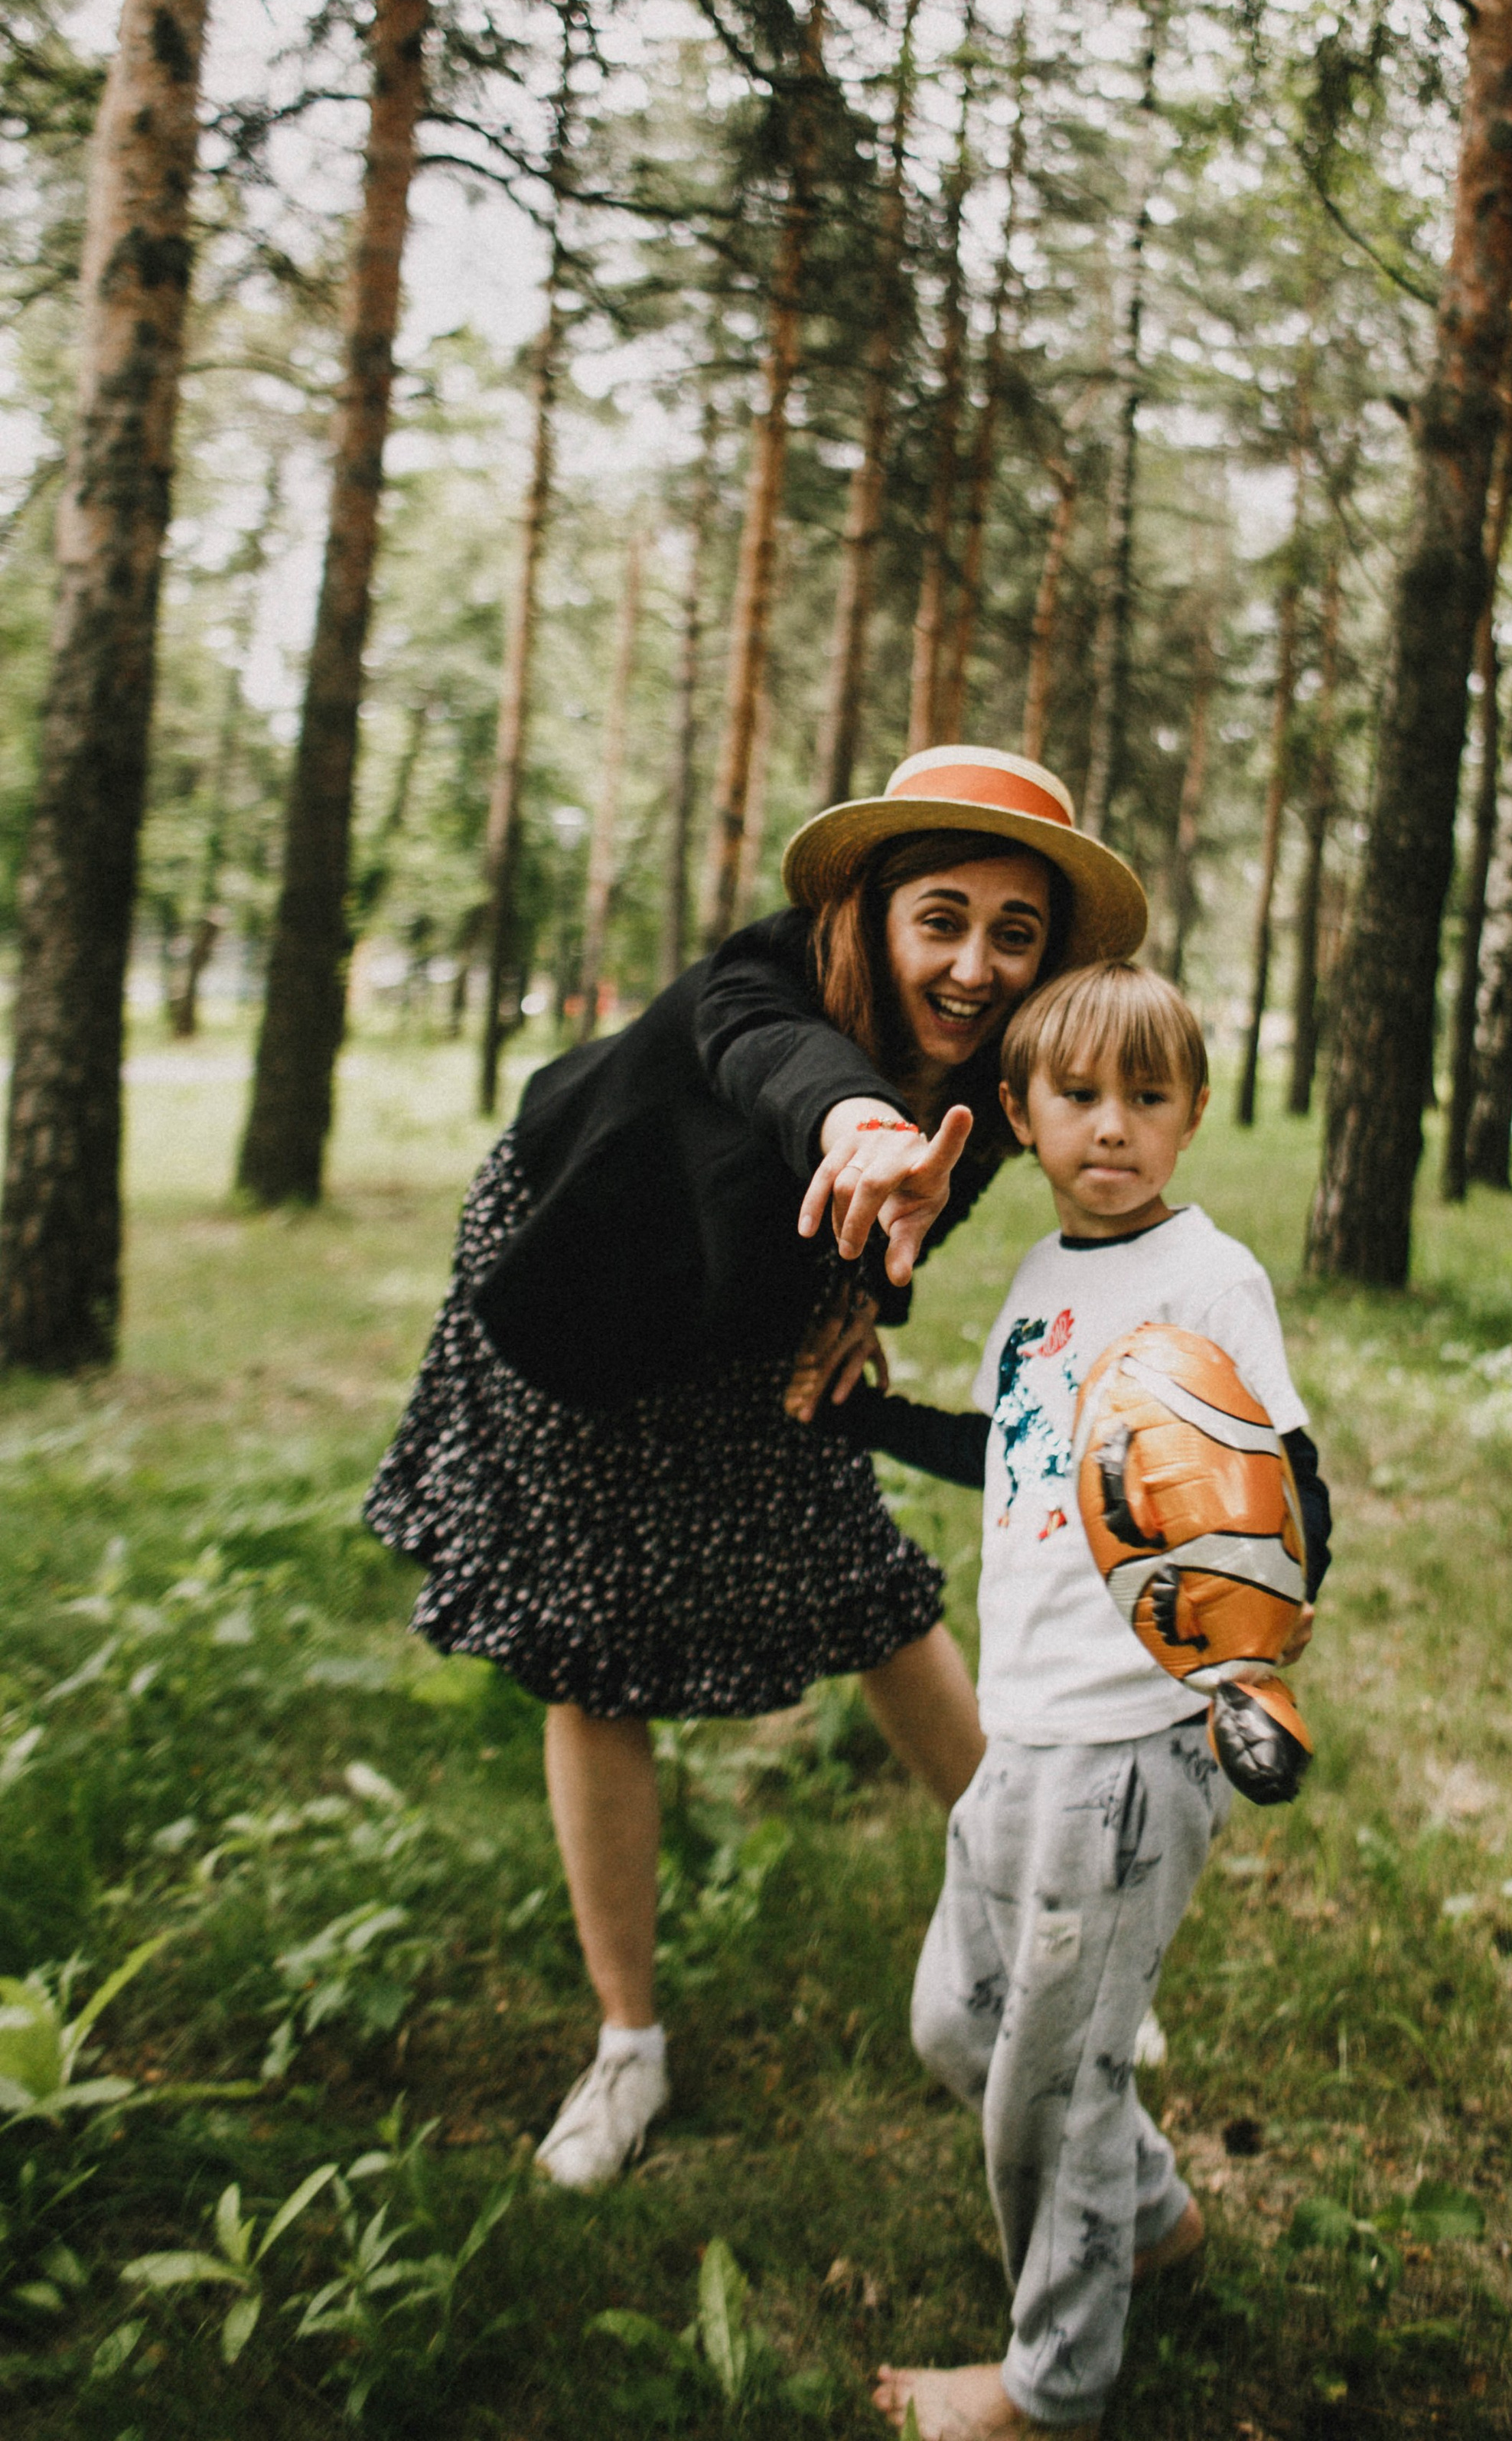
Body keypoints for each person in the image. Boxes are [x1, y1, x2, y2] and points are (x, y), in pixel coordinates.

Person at [365, 748, 1145, 2192]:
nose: (975, 964)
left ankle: (1056, 1954)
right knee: (593, 1658)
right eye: (944, 918)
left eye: (1014, 931)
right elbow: (788, 1075)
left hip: (758, 1307)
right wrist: (858, 1125)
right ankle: (628, 2048)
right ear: (873, 913)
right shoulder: (763, 981)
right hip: (587, 1274)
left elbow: (923, 1196)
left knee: (873, 1597)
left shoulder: (993, 1069)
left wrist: (867, 1302)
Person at [836, 960, 1331, 2441]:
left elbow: (1286, 1489)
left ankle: (1052, 2383)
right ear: (1019, 1115)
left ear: (1186, 1121)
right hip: (1019, 1729)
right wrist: (863, 1412)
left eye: (1145, 1097)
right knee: (957, 2022)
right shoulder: (1041, 1285)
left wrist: (1253, 1656)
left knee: (1047, 2084)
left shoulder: (1204, 1280)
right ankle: (1155, 2215)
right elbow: (1008, 1457)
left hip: (1128, 1748)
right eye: (1076, 1097)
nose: (1108, 1127)